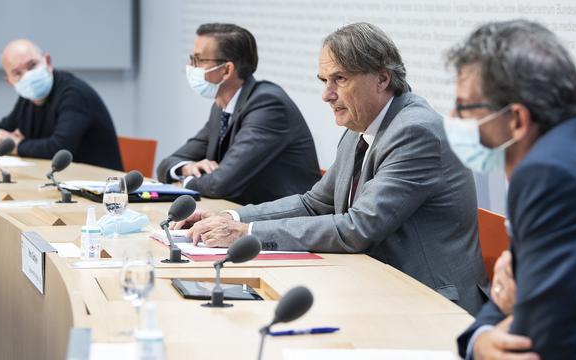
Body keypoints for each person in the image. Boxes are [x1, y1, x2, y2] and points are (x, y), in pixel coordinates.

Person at [176, 23, 488, 315]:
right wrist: (232, 218)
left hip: (431, 303)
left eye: (340, 79)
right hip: (375, 284)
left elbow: (358, 228)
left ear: (382, 78)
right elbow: (314, 204)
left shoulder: (416, 131)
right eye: (325, 81)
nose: (327, 95)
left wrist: (247, 234)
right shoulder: (360, 124)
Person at [445, 20, 576, 359]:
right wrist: (481, 339)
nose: (452, 117)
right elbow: (512, 293)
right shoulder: (570, 156)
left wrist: (488, 336)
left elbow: (535, 345)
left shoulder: (549, 176)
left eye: (464, 108)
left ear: (516, 120)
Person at [156, 23, 321, 205]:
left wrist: (184, 183)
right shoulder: (221, 106)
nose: (190, 66)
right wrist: (186, 168)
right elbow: (168, 163)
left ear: (226, 70)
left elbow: (219, 184)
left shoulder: (268, 105)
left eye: (198, 60)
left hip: (283, 223)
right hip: (240, 214)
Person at [0, 39, 122, 170]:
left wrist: (17, 146)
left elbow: (58, 148)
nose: (28, 76)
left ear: (47, 62)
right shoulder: (27, 97)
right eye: (17, 73)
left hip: (99, 184)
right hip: (59, 179)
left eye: (32, 65)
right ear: (10, 81)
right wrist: (5, 141)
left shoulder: (74, 93)